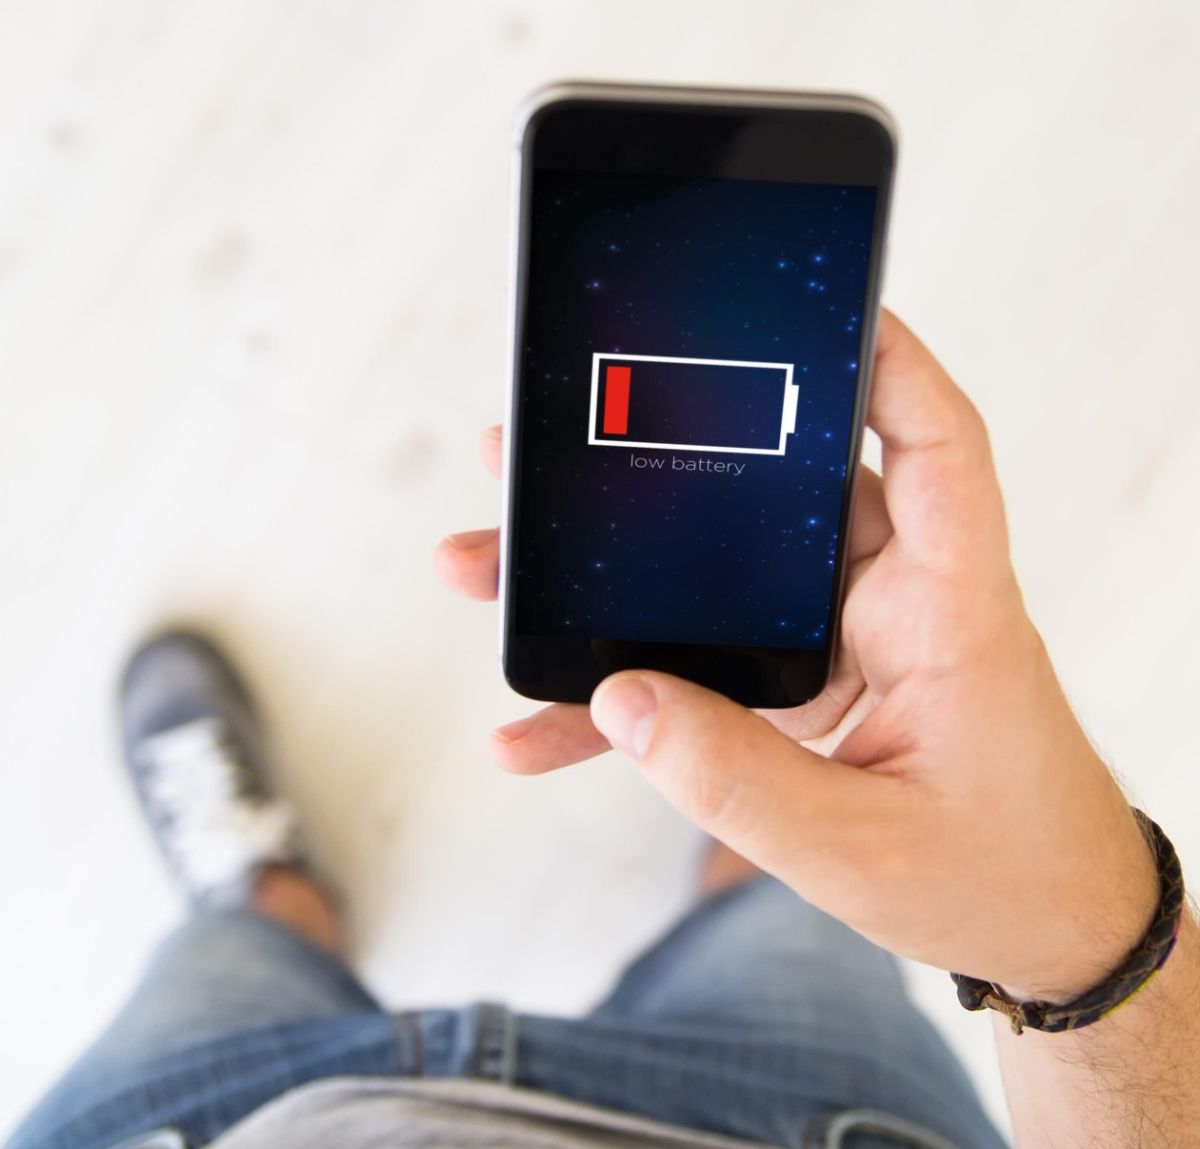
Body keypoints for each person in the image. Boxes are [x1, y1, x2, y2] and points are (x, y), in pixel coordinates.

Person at [7, 314, 1196, 1149]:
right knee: (791, 909)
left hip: (190, 1122)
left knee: (227, 958)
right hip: (824, 1110)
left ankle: (269, 895)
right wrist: (1088, 941)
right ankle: (772, 826)